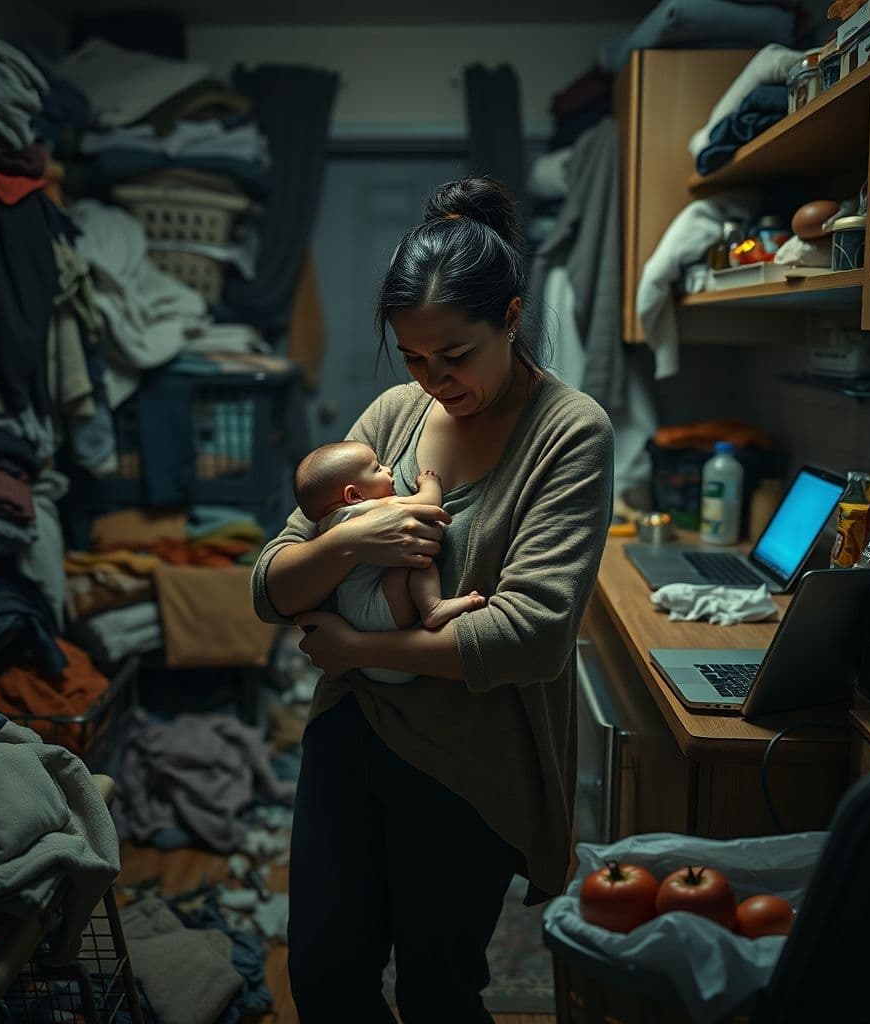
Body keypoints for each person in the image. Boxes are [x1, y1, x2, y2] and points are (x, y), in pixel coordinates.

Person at [251, 176, 614, 1024]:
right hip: (353, 734)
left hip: (470, 761)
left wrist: (358, 647)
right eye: (414, 358)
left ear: (513, 317)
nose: (434, 380)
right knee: (326, 980)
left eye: (456, 356)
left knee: (438, 991)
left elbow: (531, 637)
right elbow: (271, 583)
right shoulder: (393, 414)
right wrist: (347, 543)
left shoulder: (569, 432)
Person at [293, 439, 486, 682]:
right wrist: (429, 483)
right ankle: (433, 607)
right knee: (416, 558)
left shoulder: (328, 523)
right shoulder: (366, 510)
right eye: (377, 469)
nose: (388, 469)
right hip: (377, 615)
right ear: (354, 495)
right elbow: (428, 504)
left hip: (359, 628)